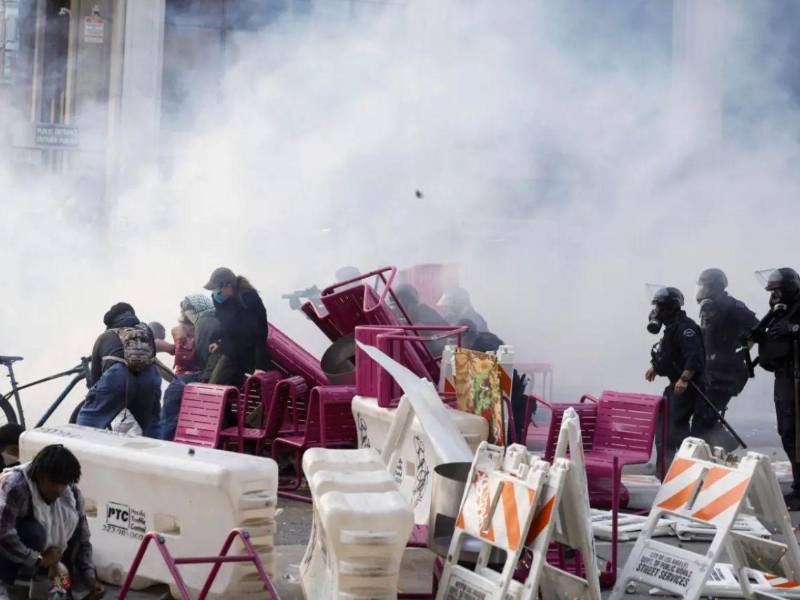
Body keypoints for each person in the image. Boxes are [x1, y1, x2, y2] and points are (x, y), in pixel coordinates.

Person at [0, 445, 103, 600]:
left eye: (64, 484)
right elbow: (4, 533)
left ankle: (55, 589)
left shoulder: (71, 494)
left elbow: (83, 537)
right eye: (54, 483)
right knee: (35, 533)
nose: (59, 490)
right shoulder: (15, 486)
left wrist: (89, 576)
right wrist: (39, 560)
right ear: (42, 477)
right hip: (11, 546)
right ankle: (7, 585)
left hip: (48, 557)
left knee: (70, 540)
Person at [749, 268, 800, 509]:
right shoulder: (779, 312)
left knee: (796, 434)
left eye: (778, 291)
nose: (774, 297)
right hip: (784, 379)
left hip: (796, 379)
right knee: (787, 433)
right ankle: (799, 486)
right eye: (772, 292)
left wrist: (793, 330)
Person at [694, 268, 758, 449]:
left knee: (706, 418)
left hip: (726, 373)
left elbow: (756, 328)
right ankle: (714, 451)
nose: (701, 290)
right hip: (710, 371)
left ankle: (724, 446)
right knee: (704, 418)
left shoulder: (732, 305)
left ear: (714, 286)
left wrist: (741, 350)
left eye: (704, 286)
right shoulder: (709, 306)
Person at [77, 302, 162, 437]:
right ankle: (158, 455)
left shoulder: (105, 336)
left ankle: (79, 452)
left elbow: (95, 378)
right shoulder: (146, 332)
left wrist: (95, 395)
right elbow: (153, 357)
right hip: (149, 376)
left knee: (87, 420)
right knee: (152, 424)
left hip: (118, 376)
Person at [645, 287, 705, 462]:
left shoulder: (686, 328)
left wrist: (684, 378)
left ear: (670, 308)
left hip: (687, 388)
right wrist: (655, 367)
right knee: (664, 428)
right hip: (675, 387)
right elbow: (669, 355)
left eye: (660, 307)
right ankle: (665, 470)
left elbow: (694, 356)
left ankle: (679, 466)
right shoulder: (672, 328)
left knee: (672, 430)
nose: (657, 312)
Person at [158, 295, 222, 440]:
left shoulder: (206, 325)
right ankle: (165, 438)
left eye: (187, 309)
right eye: (184, 309)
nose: (185, 312)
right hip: (185, 377)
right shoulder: (178, 330)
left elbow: (204, 356)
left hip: (196, 378)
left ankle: (165, 441)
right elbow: (177, 352)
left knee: (173, 397)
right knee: (172, 405)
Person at [204, 268, 270, 387]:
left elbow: (261, 334)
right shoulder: (219, 300)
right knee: (214, 387)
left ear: (227, 285)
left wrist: (260, 367)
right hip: (231, 353)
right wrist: (219, 341)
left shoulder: (250, 299)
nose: (214, 292)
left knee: (252, 390)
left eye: (216, 288)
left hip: (251, 354)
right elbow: (224, 325)